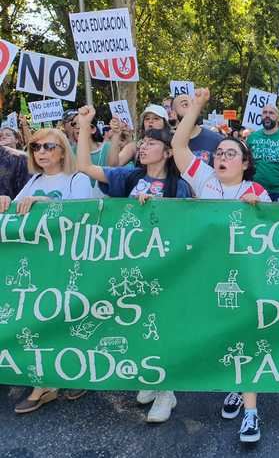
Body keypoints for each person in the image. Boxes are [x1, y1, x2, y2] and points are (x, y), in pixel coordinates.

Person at [76, 105, 191, 422]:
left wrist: (158, 210)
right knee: (138, 326)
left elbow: (186, 229)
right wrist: (86, 125)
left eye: (151, 143)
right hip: (129, 269)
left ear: (168, 152)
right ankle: (150, 379)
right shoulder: (129, 176)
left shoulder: (178, 188)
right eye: (142, 143)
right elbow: (84, 166)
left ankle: (166, 391)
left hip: (163, 271)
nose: (143, 146)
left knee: (161, 328)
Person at [172, 88, 269, 441]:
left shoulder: (258, 193)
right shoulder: (203, 180)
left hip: (246, 278)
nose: (223, 157)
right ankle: (236, 384)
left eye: (232, 153)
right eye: (219, 153)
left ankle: (252, 413)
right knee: (224, 338)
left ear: (245, 163)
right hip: (209, 277)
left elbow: (270, 239)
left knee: (244, 337)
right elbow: (179, 146)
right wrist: (195, 106)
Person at [0, 127, 92, 413]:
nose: (41, 152)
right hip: (38, 263)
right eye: (36, 147)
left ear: (63, 150)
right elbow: (16, 214)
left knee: (71, 319)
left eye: (48, 147)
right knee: (43, 320)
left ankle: (76, 374)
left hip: (67, 263)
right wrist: (6, 204)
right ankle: (46, 383)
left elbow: (83, 215)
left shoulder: (78, 179)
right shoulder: (34, 180)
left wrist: (46, 204)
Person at [172, 94, 224, 165]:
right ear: (174, 114)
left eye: (193, 103)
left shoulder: (217, 140)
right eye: (185, 105)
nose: (192, 108)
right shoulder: (167, 142)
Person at [0, 128, 31, 199]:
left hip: (14, 205)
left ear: (16, 140)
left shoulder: (23, 159)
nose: (3, 137)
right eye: (0, 136)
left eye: (8, 135)